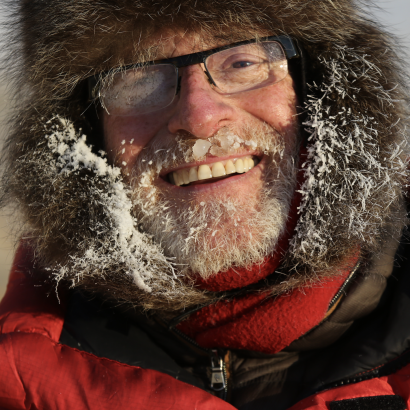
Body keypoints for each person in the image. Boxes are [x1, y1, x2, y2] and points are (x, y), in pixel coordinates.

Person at [0, 0, 409, 409]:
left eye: (243, 62)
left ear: (320, 88)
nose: (199, 118)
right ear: (86, 132)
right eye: (138, 77)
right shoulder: (21, 384)